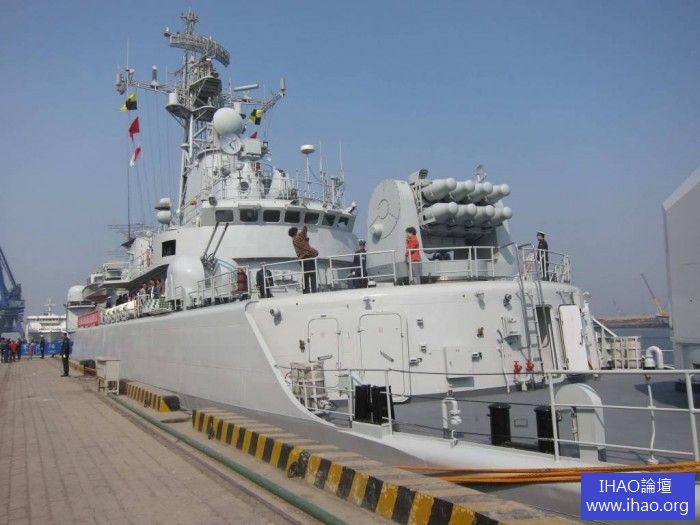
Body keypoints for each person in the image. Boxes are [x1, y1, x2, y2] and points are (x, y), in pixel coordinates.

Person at [288, 225, 318, 293]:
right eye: (297, 231)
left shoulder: (295, 239)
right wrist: (305, 226)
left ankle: (305, 290)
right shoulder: (297, 238)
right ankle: (314, 290)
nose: (298, 232)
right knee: (312, 274)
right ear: (295, 232)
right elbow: (304, 232)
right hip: (307, 258)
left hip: (302, 259)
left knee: (305, 275)